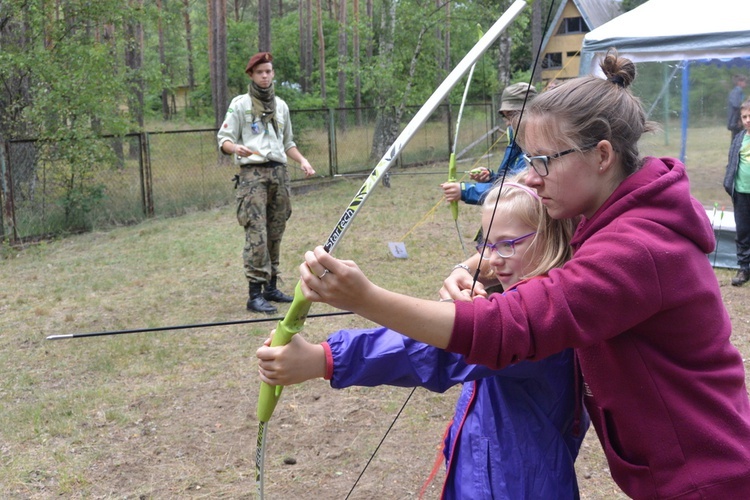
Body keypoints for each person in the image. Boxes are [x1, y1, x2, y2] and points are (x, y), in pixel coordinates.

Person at [297, 50, 750, 498]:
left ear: (602, 155)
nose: (530, 178)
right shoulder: (610, 214)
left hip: (706, 480)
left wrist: (364, 298)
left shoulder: (636, 248)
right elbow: (548, 253)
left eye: (543, 161)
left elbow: (508, 327)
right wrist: (473, 264)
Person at [257, 177, 588, 498]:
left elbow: (433, 351)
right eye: (485, 243)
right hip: (485, 475)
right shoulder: (532, 298)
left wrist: (325, 358)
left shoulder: (542, 324)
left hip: (517, 487)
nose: (491, 258)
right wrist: (468, 268)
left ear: (551, 240)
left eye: (506, 244)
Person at [217, 51, 316, 314]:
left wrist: (303, 161)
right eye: (260, 72)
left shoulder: (281, 106)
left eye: (268, 71)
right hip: (253, 177)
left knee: (276, 231)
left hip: (279, 174)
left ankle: (271, 286)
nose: (265, 76)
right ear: (251, 74)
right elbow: (223, 139)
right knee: (256, 233)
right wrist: (235, 148)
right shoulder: (240, 104)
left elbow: (288, 143)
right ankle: (254, 293)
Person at [440, 82, 536, 205]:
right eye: (506, 116)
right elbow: (509, 180)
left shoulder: (537, 147)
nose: (508, 123)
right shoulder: (518, 140)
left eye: (512, 114)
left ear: (532, 112)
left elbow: (517, 190)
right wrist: (490, 177)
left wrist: (465, 191)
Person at [723, 98, 750, 286]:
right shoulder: (740, 138)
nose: (748, 119)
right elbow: (732, 161)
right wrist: (729, 183)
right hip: (741, 193)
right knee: (743, 231)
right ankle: (744, 268)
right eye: (745, 116)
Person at [727, 74, 747, 143]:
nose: (746, 84)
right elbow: (736, 106)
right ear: (739, 82)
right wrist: (739, 119)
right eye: (745, 82)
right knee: (737, 141)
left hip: (736, 120)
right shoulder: (737, 92)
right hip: (736, 121)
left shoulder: (737, 91)